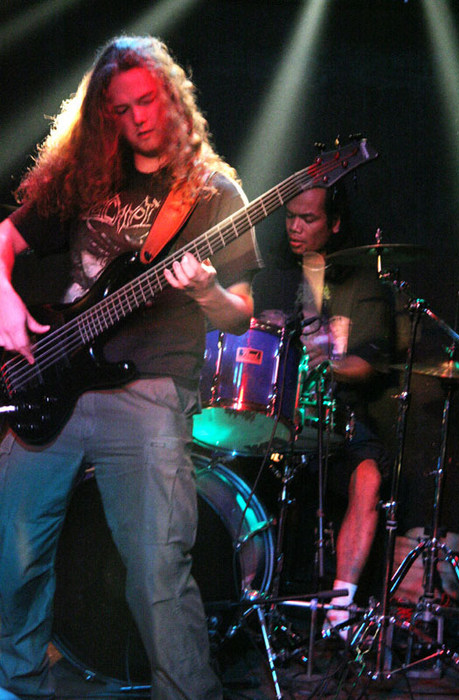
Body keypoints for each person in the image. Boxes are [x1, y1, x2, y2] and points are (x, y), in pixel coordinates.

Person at [0, 36, 262, 699]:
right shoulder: (83, 178)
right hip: (49, 380)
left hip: (148, 389)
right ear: (104, 115)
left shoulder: (214, 192)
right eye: (121, 108)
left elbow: (240, 315)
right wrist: (3, 296)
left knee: (156, 573)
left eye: (147, 100)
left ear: (171, 97)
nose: (138, 118)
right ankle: (17, 686)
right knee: (12, 558)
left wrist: (207, 290)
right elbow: (4, 237)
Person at [252, 184, 392, 636]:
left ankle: (341, 610)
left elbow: (370, 362)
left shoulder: (362, 284)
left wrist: (329, 361)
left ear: (334, 224)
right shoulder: (271, 279)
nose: (295, 227)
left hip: (337, 415)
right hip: (275, 411)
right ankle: (246, 593)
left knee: (368, 479)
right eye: (290, 216)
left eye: (308, 218)